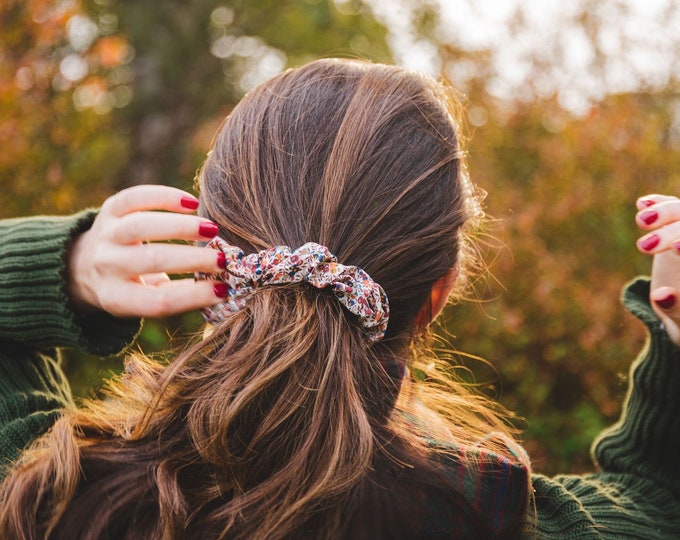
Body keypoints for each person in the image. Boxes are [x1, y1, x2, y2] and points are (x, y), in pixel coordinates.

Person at [0, 59, 678, 539]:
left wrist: (68, 265)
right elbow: (659, 500)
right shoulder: (493, 518)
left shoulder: (51, 498)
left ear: (216, 255)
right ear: (436, 296)